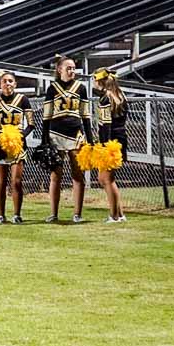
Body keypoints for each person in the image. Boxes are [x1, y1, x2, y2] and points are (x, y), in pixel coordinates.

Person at [41, 56, 93, 223]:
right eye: (68, 68)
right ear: (59, 70)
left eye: (73, 68)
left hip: (76, 135)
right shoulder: (52, 88)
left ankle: (77, 213)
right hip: (55, 135)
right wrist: (45, 140)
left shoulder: (81, 88)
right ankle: (54, 213)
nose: (72, 71)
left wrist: (90, 139)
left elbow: (86, 116)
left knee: (78, 175)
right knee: (55, 175)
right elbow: (46, 117)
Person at [0, 72, 34, 224]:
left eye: (10, 81)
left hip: (18, 145)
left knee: (16, 181)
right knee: (0, 182)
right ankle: (1, 214)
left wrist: (20, 136)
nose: (7, 84)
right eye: (4, 81)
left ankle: (17, 214)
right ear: (0, 84)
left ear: (15, 84)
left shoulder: (23, 100)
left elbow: (31, 124)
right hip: (1, 145)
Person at [94, 68, 127, 223]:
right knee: (105, 178)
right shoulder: (120, 95)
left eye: (95, 80)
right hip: (120, 138)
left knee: (107, 179)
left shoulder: (105, 98)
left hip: (110, 141)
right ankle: (119, 214)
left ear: (100, 82)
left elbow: (105, 125)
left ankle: (114, 215)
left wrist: (103, 147)